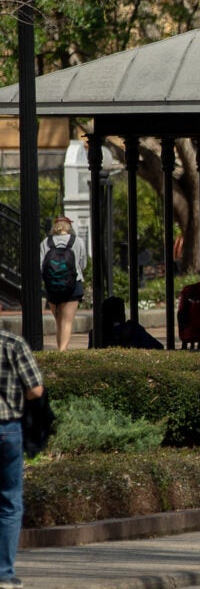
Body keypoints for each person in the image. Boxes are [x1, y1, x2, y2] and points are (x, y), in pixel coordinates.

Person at [0, 330, 43, 589]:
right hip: (7, 429)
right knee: (9, 500)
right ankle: (4, 573)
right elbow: (36, 390)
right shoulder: (12, 343)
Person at [39, 216, 87, 351]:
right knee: (67, 321)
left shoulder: (46, 242)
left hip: (52, 285)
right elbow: (83, 265)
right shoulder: (77, 241)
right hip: (73, 284)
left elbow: (41, 265)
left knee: (59, 321)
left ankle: (60, 348)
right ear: (68, 226)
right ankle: (62, 351)